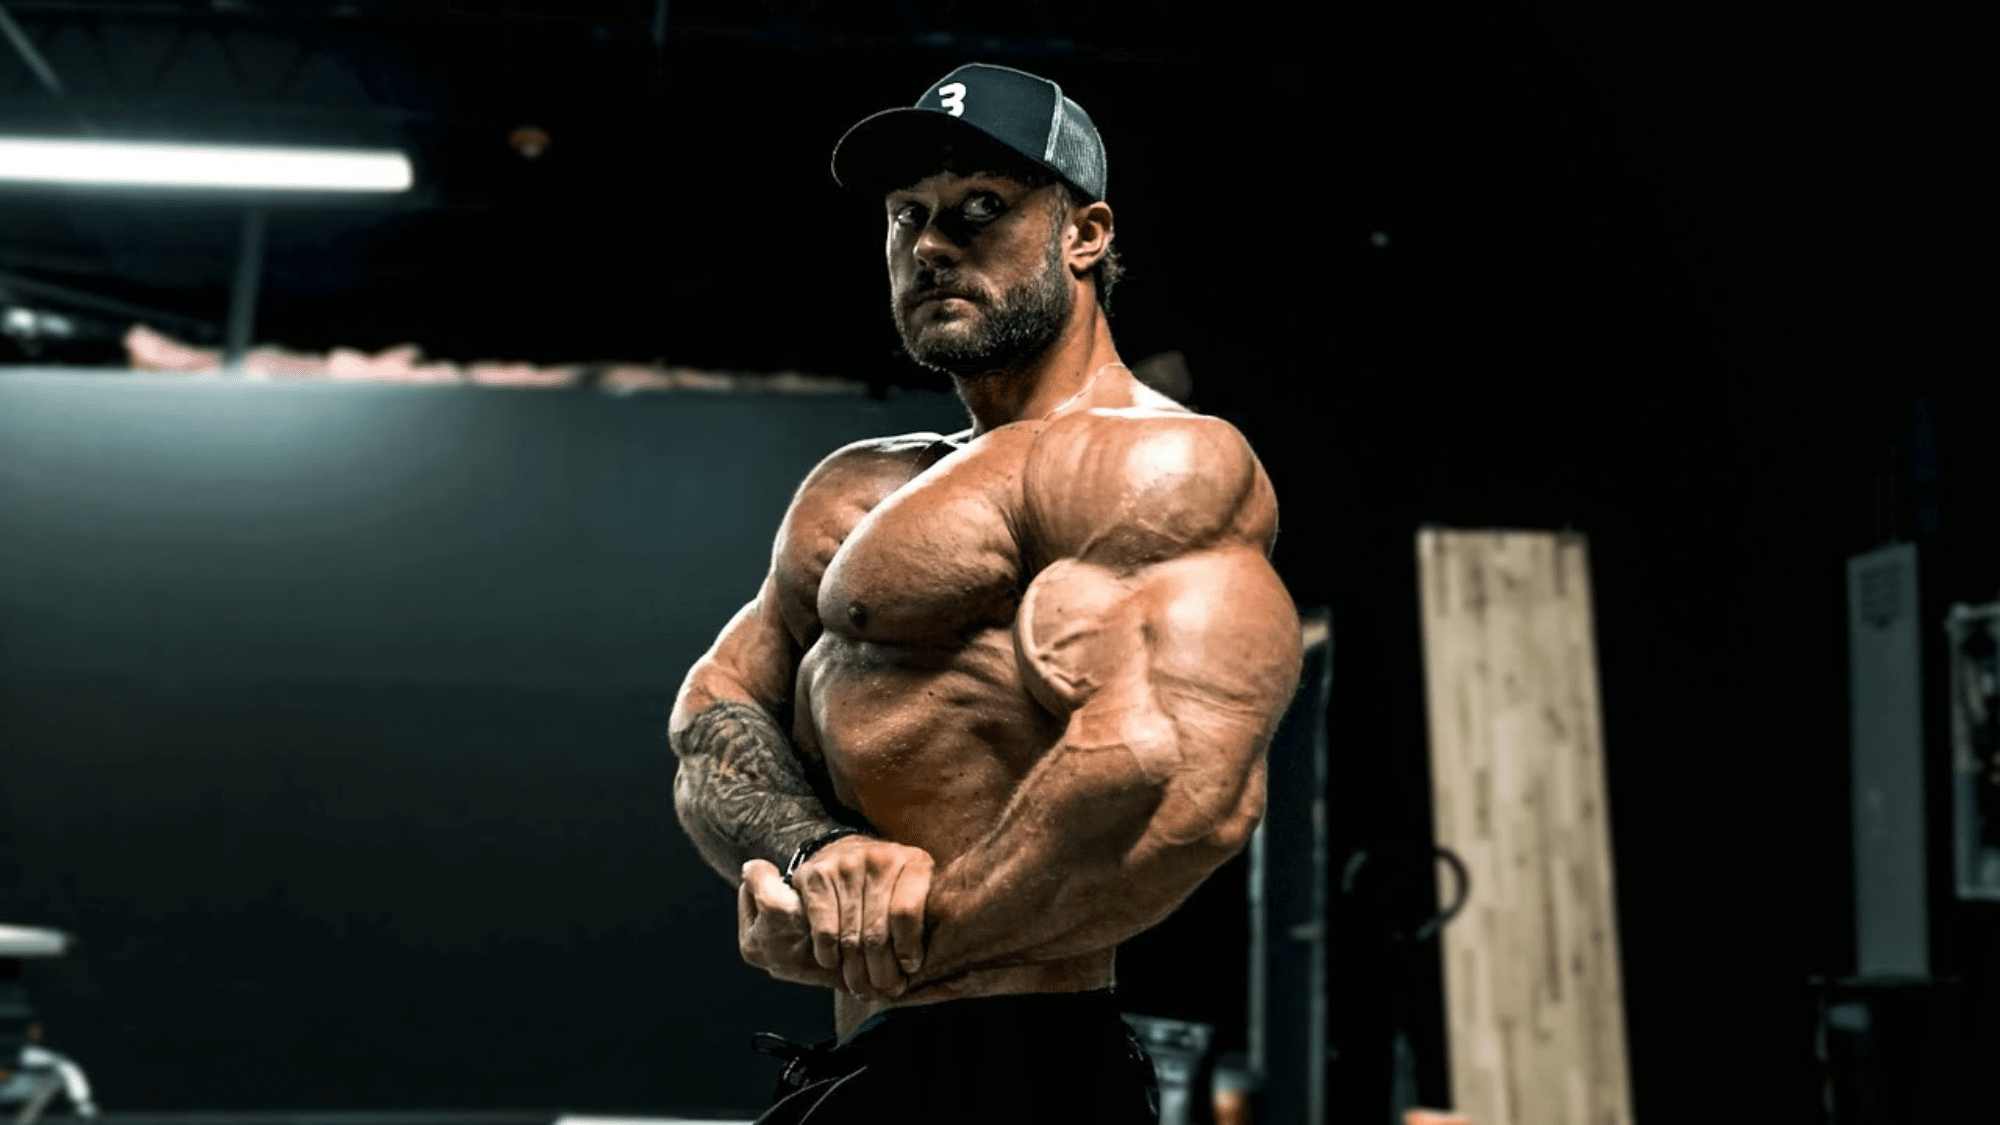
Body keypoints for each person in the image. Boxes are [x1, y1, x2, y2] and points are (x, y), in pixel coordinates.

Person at [667, 62, 1303, 1124]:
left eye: (980, 211)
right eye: (905, 217)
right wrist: (815, 852)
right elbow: (710, 720)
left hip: (1018, 1068)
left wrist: (898, 946)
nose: (928, 245)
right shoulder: (857, 484)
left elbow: (1184, 793)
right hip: (868, 1058)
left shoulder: (1158, 465)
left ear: (1084, 236)